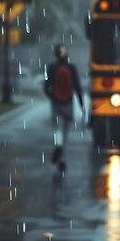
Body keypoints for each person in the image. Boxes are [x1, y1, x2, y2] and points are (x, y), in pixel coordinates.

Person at [44, 44, 84, 173]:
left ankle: (58, 145)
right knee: (66, 132)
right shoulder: (72, 68)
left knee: (57, 128)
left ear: (56, 55)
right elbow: (77, 87)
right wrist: (82, 104)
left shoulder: (52, 68)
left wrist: (53, 97)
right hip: (68, 103)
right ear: (67, 54)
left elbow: (46, 87)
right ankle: (62, 160)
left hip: (56, 103)